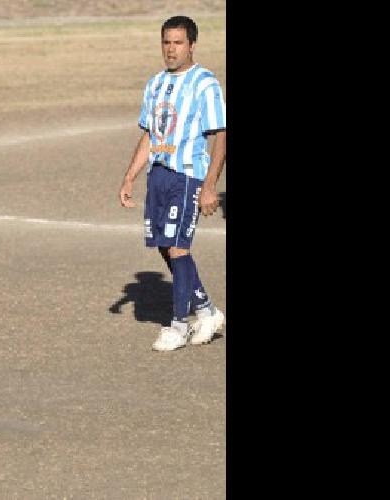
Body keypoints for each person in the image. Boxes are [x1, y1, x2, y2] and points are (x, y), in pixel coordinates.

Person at [117, 15, 226, 352]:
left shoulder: (205, 83)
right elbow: (150, 134)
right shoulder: (155, 84)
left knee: (178, 247)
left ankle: (179, 324)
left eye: (178, 42)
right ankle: (207, 310)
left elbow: (220, 135)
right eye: (166, 42)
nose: (171, 49)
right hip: (159, 175)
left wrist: (209, 186)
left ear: (191, 44)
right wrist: (130, 176)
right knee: (166, 245)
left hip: (188, 175)